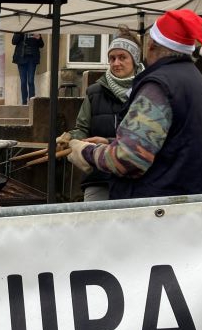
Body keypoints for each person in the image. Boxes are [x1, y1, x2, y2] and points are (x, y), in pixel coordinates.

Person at [67, 9, 202, 200]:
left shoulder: (158, 86)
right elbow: (171, 145)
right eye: (112, 58)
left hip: (155, 208)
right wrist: (112, 143)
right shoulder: (201, 83)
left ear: (152, 45)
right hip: (188, 204)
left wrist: (86, 152)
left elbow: (128, 159)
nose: (116, 63)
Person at [57, 28, 143, 202]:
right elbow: (82, 129)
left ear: (134, 60)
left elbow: (144, 141)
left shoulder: (147, 91)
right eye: (112, 58)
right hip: (99, 178)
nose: (116, 63)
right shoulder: (94, 92)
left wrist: (109, 142)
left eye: (122, 57)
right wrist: (69, 138)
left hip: (136, 179)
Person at [12, 31, 44, 105]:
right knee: (23, 82)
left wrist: (39, 38)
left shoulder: (35, 29)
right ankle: (24, 102)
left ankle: (31, 102)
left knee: (30, 81)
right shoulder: (20, 29)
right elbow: (14, 41)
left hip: (32, 59)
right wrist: (21, 33)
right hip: (21, 58)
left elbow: (41, 45)